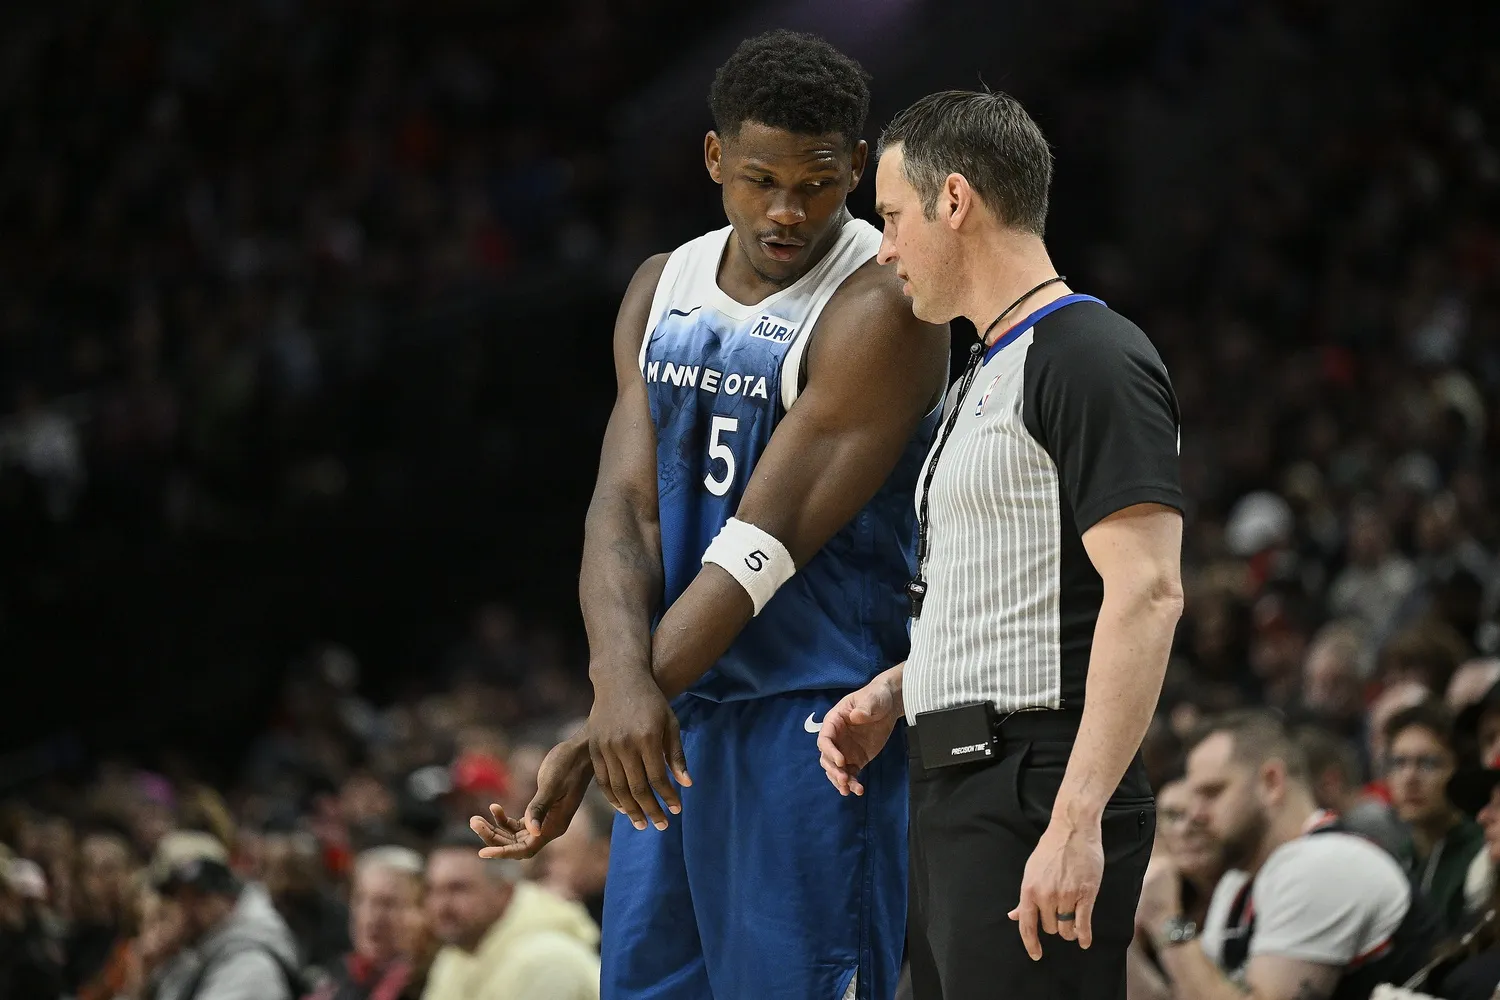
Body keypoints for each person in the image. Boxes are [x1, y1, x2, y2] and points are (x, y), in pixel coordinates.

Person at [471, 28, 948, 1000]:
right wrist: (616, 689)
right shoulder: (662, 285)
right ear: (714, 158)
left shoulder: (883, 304)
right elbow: (623, 510)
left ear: (857, 168)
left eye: (817, 183)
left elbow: (761, 544)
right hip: (676, 711)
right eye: (760, 179)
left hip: (816, 721)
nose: (786, 210)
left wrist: (612, 708)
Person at [813, 86, 1184, 1000]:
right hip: (961, 787)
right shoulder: (986, 364)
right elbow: (1021, 588)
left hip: (1034, 787)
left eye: (893, 217)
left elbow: (1147, 592)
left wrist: (1076, 818)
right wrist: (904, 688)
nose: (886, 247)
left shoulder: (1088, 353)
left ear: (954, 200)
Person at [1137, 710, 1440, 1000]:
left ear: (1272, 782)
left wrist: (1168, 922)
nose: (1196, 814)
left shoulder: (1324, 864)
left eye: (1212, 793)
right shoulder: (1238, 883)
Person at [422, 832, 600, 1000]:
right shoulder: (455, 957)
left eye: (458, 889)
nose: (440, 906)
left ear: (504, 891)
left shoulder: (546, 959)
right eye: (432, 890)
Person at [147, 830, 303, 1000]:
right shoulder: (204, 953)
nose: (186, 910)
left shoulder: (250, 965)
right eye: (180, 898)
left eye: (198, 898)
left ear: (227, 899)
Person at [1385, 703, 1487, 933]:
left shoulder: (1481, 853)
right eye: (1399, 763)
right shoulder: (1401, 858)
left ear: (1459, 772)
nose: (1409, 778)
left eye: (1428, 763)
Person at [306, 846, 426, 1000]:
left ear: (422, 911)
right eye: (361, 900)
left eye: (388, 903)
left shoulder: (429, 984)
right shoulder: (338, 977)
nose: (371, 917)